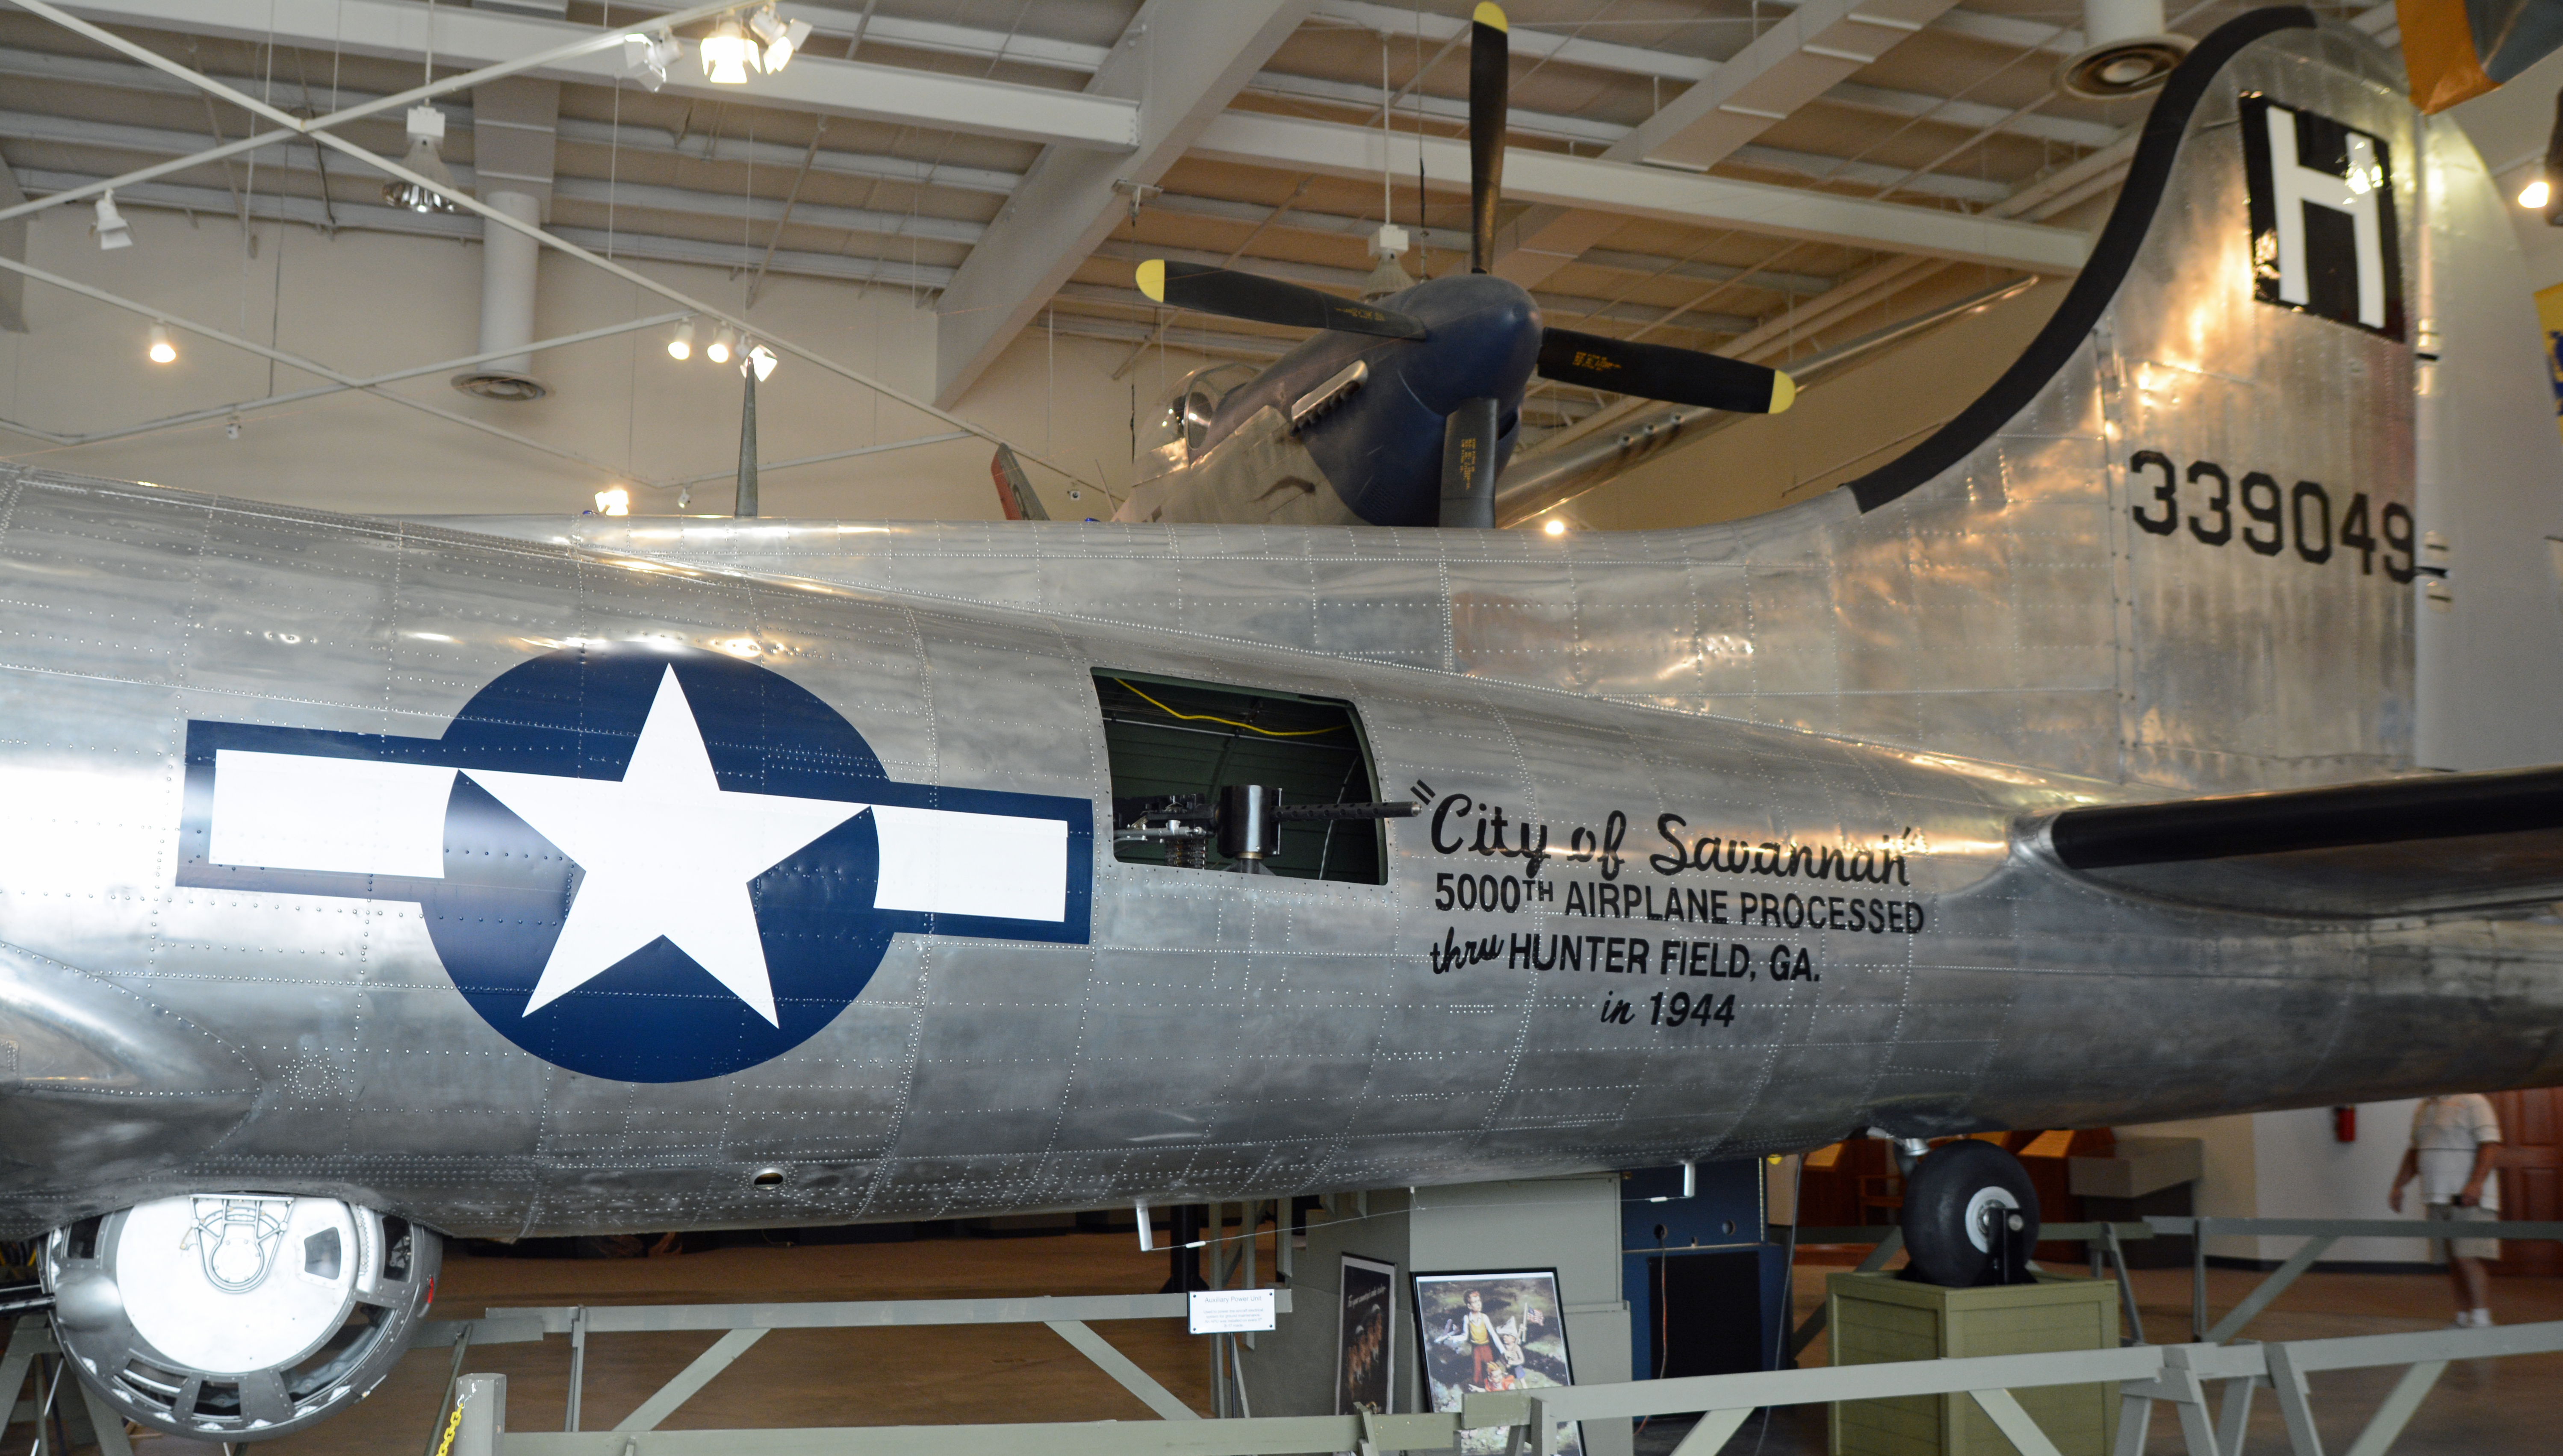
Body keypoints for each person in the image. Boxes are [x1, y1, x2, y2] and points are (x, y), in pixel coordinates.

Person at [2389, 1093, 2504, 1327]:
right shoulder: (2423, 1107)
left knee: (2467, 1257)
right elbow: (2415, 1152)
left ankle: (2481, 1318)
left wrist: (2476, 1184)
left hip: (2467, 1198)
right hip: (2436, 1197)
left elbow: (2490, 1144)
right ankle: (2462, 1317)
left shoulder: (2473, 1101)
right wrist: (2399, 1186)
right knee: (2453, 1261)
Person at [1460, 1289, 1500, 1388]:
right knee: (1477, 1369)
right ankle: (1479, 1388)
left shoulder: (1484, 1317)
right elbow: (1465, 1336)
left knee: (1490, 1367)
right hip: (1476, 1349)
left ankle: (1492, 1387)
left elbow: (1493, 1334)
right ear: (1469, 1306)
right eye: (1475, 1302)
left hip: (1486, 1347)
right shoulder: (1467, 1318)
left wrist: (1503, 1351)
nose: (1479, 1304)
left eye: (1479, 1301)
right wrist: (1453, 1338)